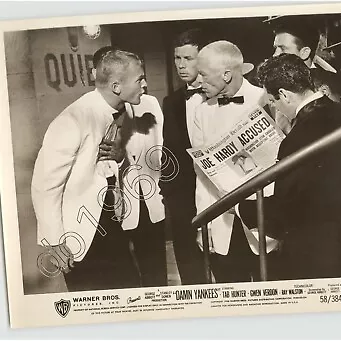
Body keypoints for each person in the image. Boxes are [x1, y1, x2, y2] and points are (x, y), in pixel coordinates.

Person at [32, 49, 147, 291]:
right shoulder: (73, 119)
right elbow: (45, 184)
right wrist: (54, 241)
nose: (144, 85)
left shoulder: (118, 111)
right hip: (81, 238)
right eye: (139, 79)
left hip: (109, 227)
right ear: (116, 86)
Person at [238, 54, 341, 280]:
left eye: (273, 101)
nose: (275, 108)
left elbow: (288, 207)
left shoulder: (295, 140)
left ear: (284, 94)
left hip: (317, 250)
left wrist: (241, 207)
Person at [192, 40, 278, 283]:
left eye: (204, 76)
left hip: (262, 220)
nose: (199, 82)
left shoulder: (265, 99)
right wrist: (203, 223)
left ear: (227, 74)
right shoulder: (201, 111)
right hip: (221, 223)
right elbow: (201, 173)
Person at [93, 46, 168, 287]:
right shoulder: (92, 112)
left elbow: (159, 151)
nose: (144, 84)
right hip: (111, 209)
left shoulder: (150, 104)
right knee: (122, 279)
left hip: (149, 201)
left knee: (156, 276)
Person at [160, 28, 209, 285]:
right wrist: (167, 188)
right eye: (177, 59)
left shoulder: (222, 94)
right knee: (189, 264)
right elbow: (170, 147)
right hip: (182, 194)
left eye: (187, 59)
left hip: (217, 191)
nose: (180, 65)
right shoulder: (171, 102)